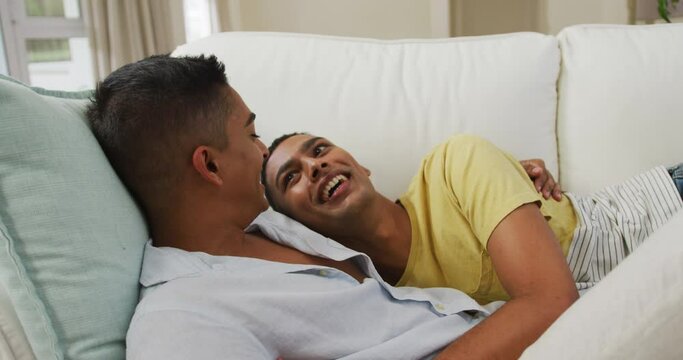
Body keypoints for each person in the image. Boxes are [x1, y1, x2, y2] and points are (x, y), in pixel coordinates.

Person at [87, 54, 559, 360]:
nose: (261, 152)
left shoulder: (270, 226)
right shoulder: (182, 320)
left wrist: (496, 179)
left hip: (518, 323)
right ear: (209, 166)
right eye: (251, 135)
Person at [262, 132, 683, 356]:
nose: (315, 165)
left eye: (319, 150)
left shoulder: (453, 164)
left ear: (361, 166)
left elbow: (550, 299)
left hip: (660, 214)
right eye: (291, 177)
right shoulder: (379, 300)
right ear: (298, 226)